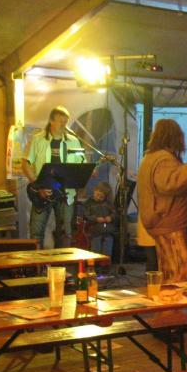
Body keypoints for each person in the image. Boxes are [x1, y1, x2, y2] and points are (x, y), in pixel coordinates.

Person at [137, 119, 187, 282]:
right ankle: (171, 298)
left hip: (160, 221)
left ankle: (166, 297)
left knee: (168, 269)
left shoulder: (150, 157)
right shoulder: (163, 158)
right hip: (168, 222)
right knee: (178, 270)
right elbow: (172, 183)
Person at [22, 106, 87, 248]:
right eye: (60, 121)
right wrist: (37, 186)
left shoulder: (73, 141)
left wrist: (87, 172)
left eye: (66, 122)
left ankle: (62, 262)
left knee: (66, 234)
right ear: (51, 121)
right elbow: (25, 164)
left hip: (66, 194)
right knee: (36, 233)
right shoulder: (38, 139)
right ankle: (37, 261)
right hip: (43, 192)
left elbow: (81, 164)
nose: (64, 125)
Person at [82, 181, 116, 258]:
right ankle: (95, 264)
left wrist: (111, 217)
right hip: (95, 231)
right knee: (95, 250)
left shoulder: (109, 203)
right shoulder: (89, 203)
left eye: (101, 197)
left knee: (107, 251)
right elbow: (86, 215)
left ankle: (105, 263)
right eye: (97, 195)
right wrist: (96, 219)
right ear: (95, 190)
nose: (99, 198)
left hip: (108, 231)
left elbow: (114, 213)